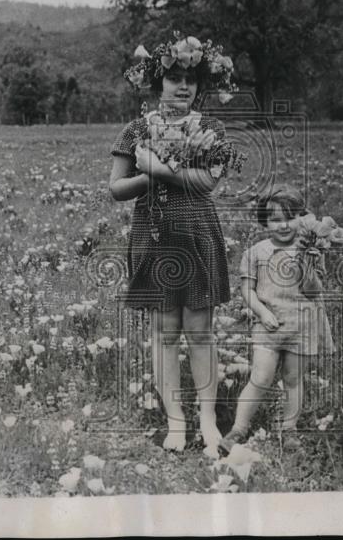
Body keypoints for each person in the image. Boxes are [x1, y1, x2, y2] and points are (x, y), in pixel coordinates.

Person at [109, 35, 238, 456]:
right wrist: (147, 175)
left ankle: (207, 418)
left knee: (200, 332)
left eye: (190, 80)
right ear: (157, 83)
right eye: (173, 78)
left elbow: (208, 183)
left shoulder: (210, 129)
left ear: (199, 86)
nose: (182, 87)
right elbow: (116, 188)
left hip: (197, 232)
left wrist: (160, 167)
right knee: (165, 333)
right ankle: (176, 421)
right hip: (155, 235)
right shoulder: (136, 129)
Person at [220, 185, 335, 454]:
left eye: (290, 217)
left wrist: (309, 263)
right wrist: (262, 312)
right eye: (275, 219)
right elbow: (247, 290)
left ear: (303, 218)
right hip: (268, 324)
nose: (284, 225)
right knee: (260, 377)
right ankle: (238, 429)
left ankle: (289, 429)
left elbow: (313, 290)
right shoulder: (256, 252)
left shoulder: (310, 249)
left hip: (302, 324)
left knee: (293, 378)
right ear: (265, 221)